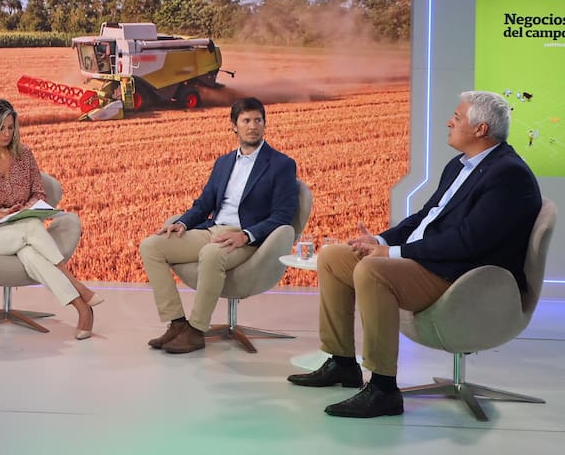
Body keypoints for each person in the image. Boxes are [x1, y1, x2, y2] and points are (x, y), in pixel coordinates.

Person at [288, 90, 542, 418]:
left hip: (463, 276)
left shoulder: (508, 174)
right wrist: (379, 239)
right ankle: (342, 362)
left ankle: (383, 387)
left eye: (458, 116)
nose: (449, 121)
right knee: (335, 257)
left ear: (480, 130)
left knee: (373, 270)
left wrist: (392, 252)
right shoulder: (460, 165)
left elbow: (468, 242)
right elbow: (425, 217)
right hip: (432, 262)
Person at [139, 96, 299, 354]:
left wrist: (246, 236)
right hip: (213, 230)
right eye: (246, 120)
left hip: (251, 240)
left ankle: (197, 330)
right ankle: (178, 323)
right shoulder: (223, 162)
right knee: (151, 246)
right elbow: (203, 204)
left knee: (211, 254)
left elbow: (283, 215)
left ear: (265, 124)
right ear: (234, 126)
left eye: (258, 120)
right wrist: (182, 223)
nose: (253, 126)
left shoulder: (281, 165)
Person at [0, 98, 100, 340]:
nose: (7, 133)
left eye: (10, 127)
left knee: (29, 254)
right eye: (1, 127)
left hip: (20, 224)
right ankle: (77, 285)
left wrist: (24, 208)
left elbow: (39, 192)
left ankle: (82, 310)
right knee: (31, 228)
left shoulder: (24, 155)